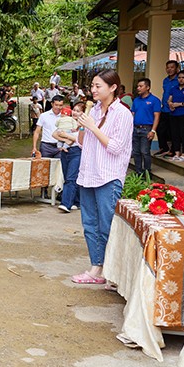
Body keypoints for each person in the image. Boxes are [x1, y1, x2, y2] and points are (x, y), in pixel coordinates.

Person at [71, 70, 133, 285]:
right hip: (88, 174)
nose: (93, 90)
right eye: (93, 86)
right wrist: (81, 124)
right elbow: (82, 142)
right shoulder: (94, 110)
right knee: (90, 224)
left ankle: (113, 272)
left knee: (106, 225)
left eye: (98, 86)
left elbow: (116, 147)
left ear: (113, 87)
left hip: (108, 176)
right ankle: (96, 269)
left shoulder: (123, 114)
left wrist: (92, 127)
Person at [53, 101, 86, 213]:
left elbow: (79, 140)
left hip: (77, 152)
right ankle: (76, 202)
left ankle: (65, 204)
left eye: (78, 111)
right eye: (74, 110)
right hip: (65, 152)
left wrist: (66, 136)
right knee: (69, 177)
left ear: (83, 113)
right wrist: (65, 139)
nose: (75, 113)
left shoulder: (83, 126)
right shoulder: (67, 122)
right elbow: (55, 134)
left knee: (71, 178)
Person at [130, 77, 161, 176]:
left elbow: (157, 116)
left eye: (140, 86)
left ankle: (147, 172)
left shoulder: (154, 100)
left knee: (145, 151)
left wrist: (153, 131)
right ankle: (138, 172)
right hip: (135, 128)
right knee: (136, 152)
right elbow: (132, 114)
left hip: (146, 129)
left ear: (147, 87)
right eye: (137, 86)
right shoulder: (136, 100)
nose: (138, 88)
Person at [167, 70, 184, 162]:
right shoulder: (174, 88)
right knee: (175, 134)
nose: (181, 80)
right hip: (174, 114)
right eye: (179, 78)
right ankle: (177, 153)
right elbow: (169, 100)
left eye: (183, 77)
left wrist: (180, 104)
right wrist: (170, 105)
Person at [156, 60, 180, 157]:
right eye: (168, 67)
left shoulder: (179, 79)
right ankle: (163, 148)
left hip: (175, 109)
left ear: (176, 68)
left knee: (173, 131)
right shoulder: (165, 80)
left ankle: (173, 150)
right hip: (164, 109)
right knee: (160, 129)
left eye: (172, 67)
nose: (169, 69)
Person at [33, 94, 65, 159]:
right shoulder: (44, 116)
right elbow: (37, 132)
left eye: (60, 105)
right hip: (46, 146)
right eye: (56, 105)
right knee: (45, 167)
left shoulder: (65, 117)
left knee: (59, 167)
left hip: (60, 146)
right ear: (52, 104)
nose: (58, 107)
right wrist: (34, 147)